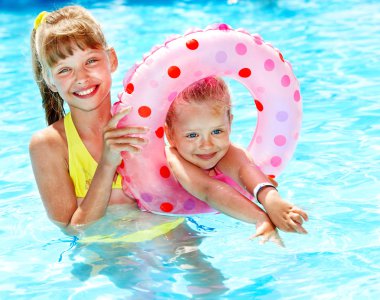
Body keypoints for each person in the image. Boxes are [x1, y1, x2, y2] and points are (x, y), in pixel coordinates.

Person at [29, 6, 148, 229]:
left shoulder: (142, 123)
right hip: (104, 259)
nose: (81, 78)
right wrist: (107, 164)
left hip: (172, 242)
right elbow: (74, 229)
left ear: (111, 59)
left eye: (91, 61)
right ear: (50, 80)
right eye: (65, 70)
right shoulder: (49, 145)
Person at [165, 76, 308, 236]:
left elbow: (245, 170)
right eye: (192, 135)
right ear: (170, 134)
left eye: (217, 131)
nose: (207, 145)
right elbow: (208, 190)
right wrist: (259, 217)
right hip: (163, 219)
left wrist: (272, 200)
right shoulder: (172, 158)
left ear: (230, 124)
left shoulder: (227, 153)